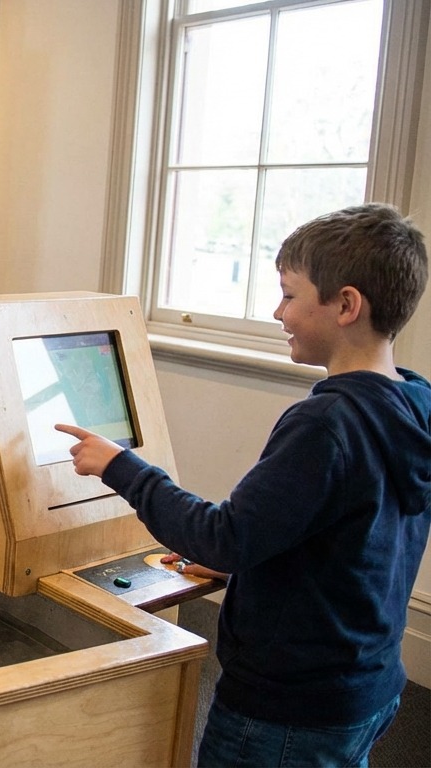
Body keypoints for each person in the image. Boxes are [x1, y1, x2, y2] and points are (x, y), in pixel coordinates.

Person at [57, 203, 431, 768]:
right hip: (366, 684)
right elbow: (346, 537)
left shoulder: (326, 424)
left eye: (289, 295)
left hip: (287, 710)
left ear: (347, 305)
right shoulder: (413, 402)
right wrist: (253, 566)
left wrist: (120, 466)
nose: (279, 312)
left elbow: (222, 536)